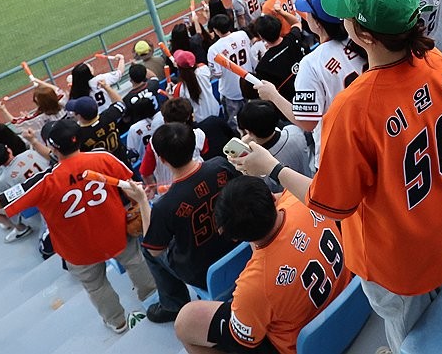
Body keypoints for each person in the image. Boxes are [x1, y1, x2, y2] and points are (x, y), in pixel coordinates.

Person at [230, 0, 442, 354]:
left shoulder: (353, 109)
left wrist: (270, 167)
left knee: (409, 334)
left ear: (365, 34)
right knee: (436, 310)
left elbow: (329, 206)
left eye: (349, 15)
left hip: (396, 258)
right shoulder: (436, 60)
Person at [0, 119, 157, 334]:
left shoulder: (43, 182)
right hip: (116, 232)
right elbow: (132, 187)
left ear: (53, 148)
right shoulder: (103, 157)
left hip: (78, 250)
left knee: (96, 286)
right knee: (136, 263)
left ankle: (117, 322)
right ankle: (152, 298)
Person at [173, 176, 351, 354]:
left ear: (235, 237)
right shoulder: (301, 196)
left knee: (185, 321)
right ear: (273, 198)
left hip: (301, 345)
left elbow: (243, 341)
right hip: (346, 301)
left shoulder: (253, 286)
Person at [254, 0, 365, 169]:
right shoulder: (359, 39)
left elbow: (307, 122)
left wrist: (273, 95)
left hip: (340, 151)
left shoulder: (312, 63)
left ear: (318, 23)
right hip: (370, 131)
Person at [140, 123, 241, 323]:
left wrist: (142, 201)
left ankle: (172, 305)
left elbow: (155, 250)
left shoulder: (164, 206)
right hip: (240, 243)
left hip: (203, 271)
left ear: (162, 159)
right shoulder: (220, 165)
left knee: (145, 246)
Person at [0, 141, 51, 242]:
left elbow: (10, 204)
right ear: (9, 150)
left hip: (35, 203)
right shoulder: (29, 153)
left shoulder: (3, 180)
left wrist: (15, 219)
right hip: (52, 186)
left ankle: (20, 229)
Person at [237, 100, 311, 192]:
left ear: (248, 132)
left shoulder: (255, 165)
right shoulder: (295, 132)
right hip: (309, 184)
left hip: (286, 202)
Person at [207, 13, 251, 122]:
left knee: (234, 123)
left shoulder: (214, 49)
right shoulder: (242, 34)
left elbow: (217, 75)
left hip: (231, 91)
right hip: (249, 84)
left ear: (216, 30)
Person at [171, 49, 221, 122]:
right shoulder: (204, 69)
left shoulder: (178, 89)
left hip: (199, 122)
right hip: (216, 111)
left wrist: (170, 95)